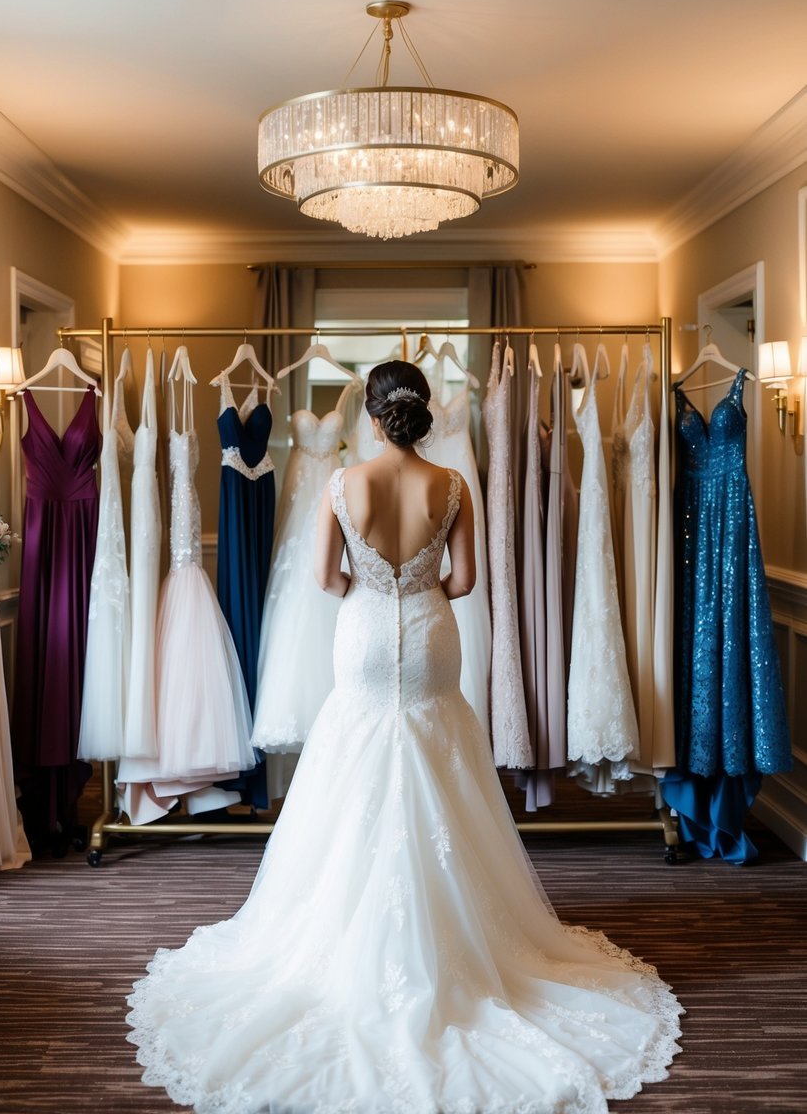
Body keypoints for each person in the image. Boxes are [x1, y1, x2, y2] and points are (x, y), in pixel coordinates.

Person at [127, 360, 682, 1114]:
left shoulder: (341, 484)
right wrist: (411, 584)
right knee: (437, 755)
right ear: (421, 412)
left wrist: (370, 584)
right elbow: (464, 583)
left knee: (355, 756)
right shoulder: (452, 486)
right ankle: (460, 938)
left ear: (373, 414)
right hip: (428, 634)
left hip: (360, 634)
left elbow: (324, 577)